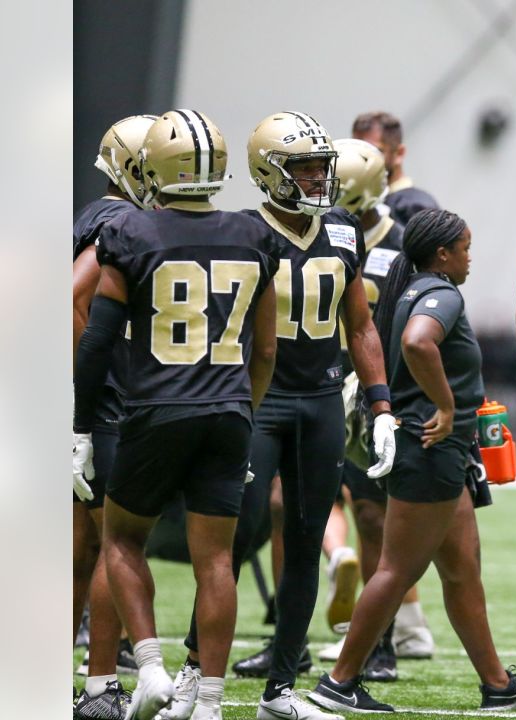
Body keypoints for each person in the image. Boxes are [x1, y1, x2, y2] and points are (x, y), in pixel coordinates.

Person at [166, 111, 396, 720]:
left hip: (320, 402)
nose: (322, 178)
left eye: (324, 166)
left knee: (302, 543)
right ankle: (194, 669)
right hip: (257, 401)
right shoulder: (242, 230)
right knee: (232, 540)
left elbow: (362, 324)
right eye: (307, 167)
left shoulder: (344, 228)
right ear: (271, 173)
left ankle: (282, 689)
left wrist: (380, 405)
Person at [72, 108, 281, 720]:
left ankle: (153, 669)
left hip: (156, 407)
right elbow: (265, 349)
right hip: (230, 409)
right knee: (216, 560)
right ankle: (210, 703)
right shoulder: (253, 232)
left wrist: (83, 425)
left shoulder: (130, 233)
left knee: (121, 538)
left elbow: (97, 342)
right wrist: (246, 410)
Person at [309, 209, 516, 714]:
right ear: (442, 254)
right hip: (430, 449)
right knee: (395, 572)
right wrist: (446, 404)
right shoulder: (441, 294)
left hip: (441, 453)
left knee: (462, 570)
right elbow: (418, 343)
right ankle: (339, 681)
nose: (470, 257)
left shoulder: (414, 289)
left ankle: (497, 684)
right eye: (465, 247)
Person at [317, 137, 437, 670]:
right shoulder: (312, 232)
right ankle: (289, 642)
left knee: (372, 514)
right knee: (293, 508)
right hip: (317, 384)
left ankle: (382, 641)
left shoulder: (405, 243)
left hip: (375, 391)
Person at [71, 113, 155, 720]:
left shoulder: (99, 212)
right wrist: (94, 384)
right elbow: (74, 297)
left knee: (82, 545)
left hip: (89, 399)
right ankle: (102, 687)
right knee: (114, 543)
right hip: (105, 403)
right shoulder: (121, 219)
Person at [352, 111, 439, 226]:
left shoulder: (416, 206)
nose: (363, 160)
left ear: (399, 153)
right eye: (356, 150)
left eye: (374, 151)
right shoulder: (360, 202)